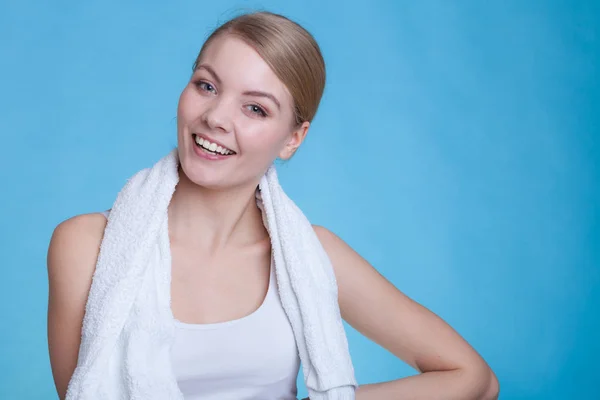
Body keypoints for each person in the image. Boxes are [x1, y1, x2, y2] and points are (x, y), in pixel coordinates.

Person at [47, 11, 499, 400]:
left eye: (255, 109)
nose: (216, 118)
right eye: (206, 85)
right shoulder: (86, 245)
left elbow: (473, 379)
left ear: (293, 138)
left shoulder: (310, 256)